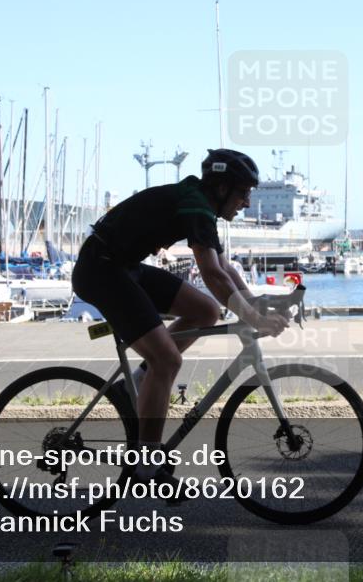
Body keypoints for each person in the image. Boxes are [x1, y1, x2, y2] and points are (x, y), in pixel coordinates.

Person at [71, 149, 289, 496]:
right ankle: (146, 464)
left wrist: (255, 305)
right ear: (222, 188)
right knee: (168, 360)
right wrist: (254, 318)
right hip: (101, 271)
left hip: (124, 267)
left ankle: (134, 385)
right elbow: (213, 275)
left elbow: (225, 268)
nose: (247, 202)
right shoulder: (196, 205)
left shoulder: (200, 205)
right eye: (244, 193)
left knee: (206, 311)